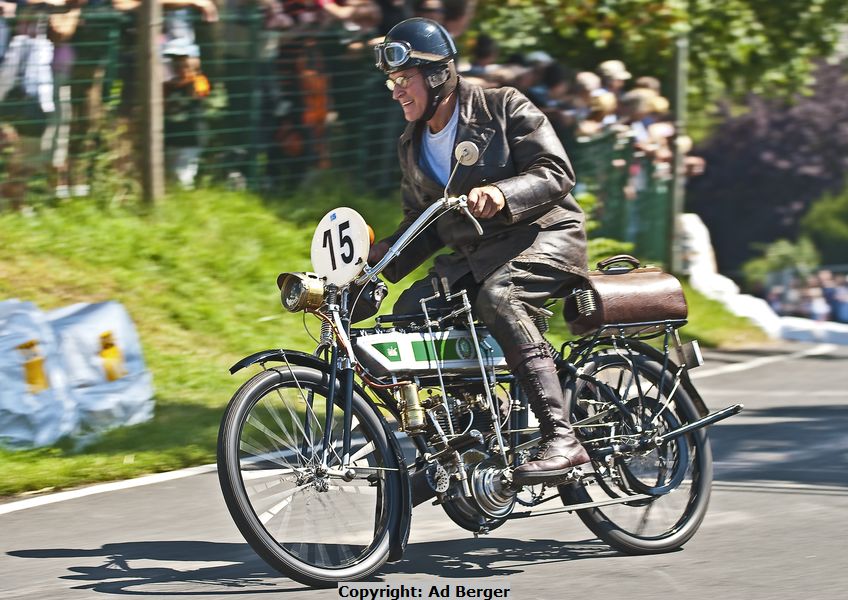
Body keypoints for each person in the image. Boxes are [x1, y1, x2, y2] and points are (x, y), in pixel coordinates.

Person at [369, 17, 590, 485]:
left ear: (435, 74)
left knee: (500, 299)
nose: (396, 91)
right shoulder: (410, 144)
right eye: (392, 82)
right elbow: (422, 224)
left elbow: (555, 171)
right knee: (411, 316)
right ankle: (468, 444)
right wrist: (379, 261)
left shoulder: (501, 105)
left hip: (542, 237)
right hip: (476, 255)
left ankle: (562, 437)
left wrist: (504, 194)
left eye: (403, 79)